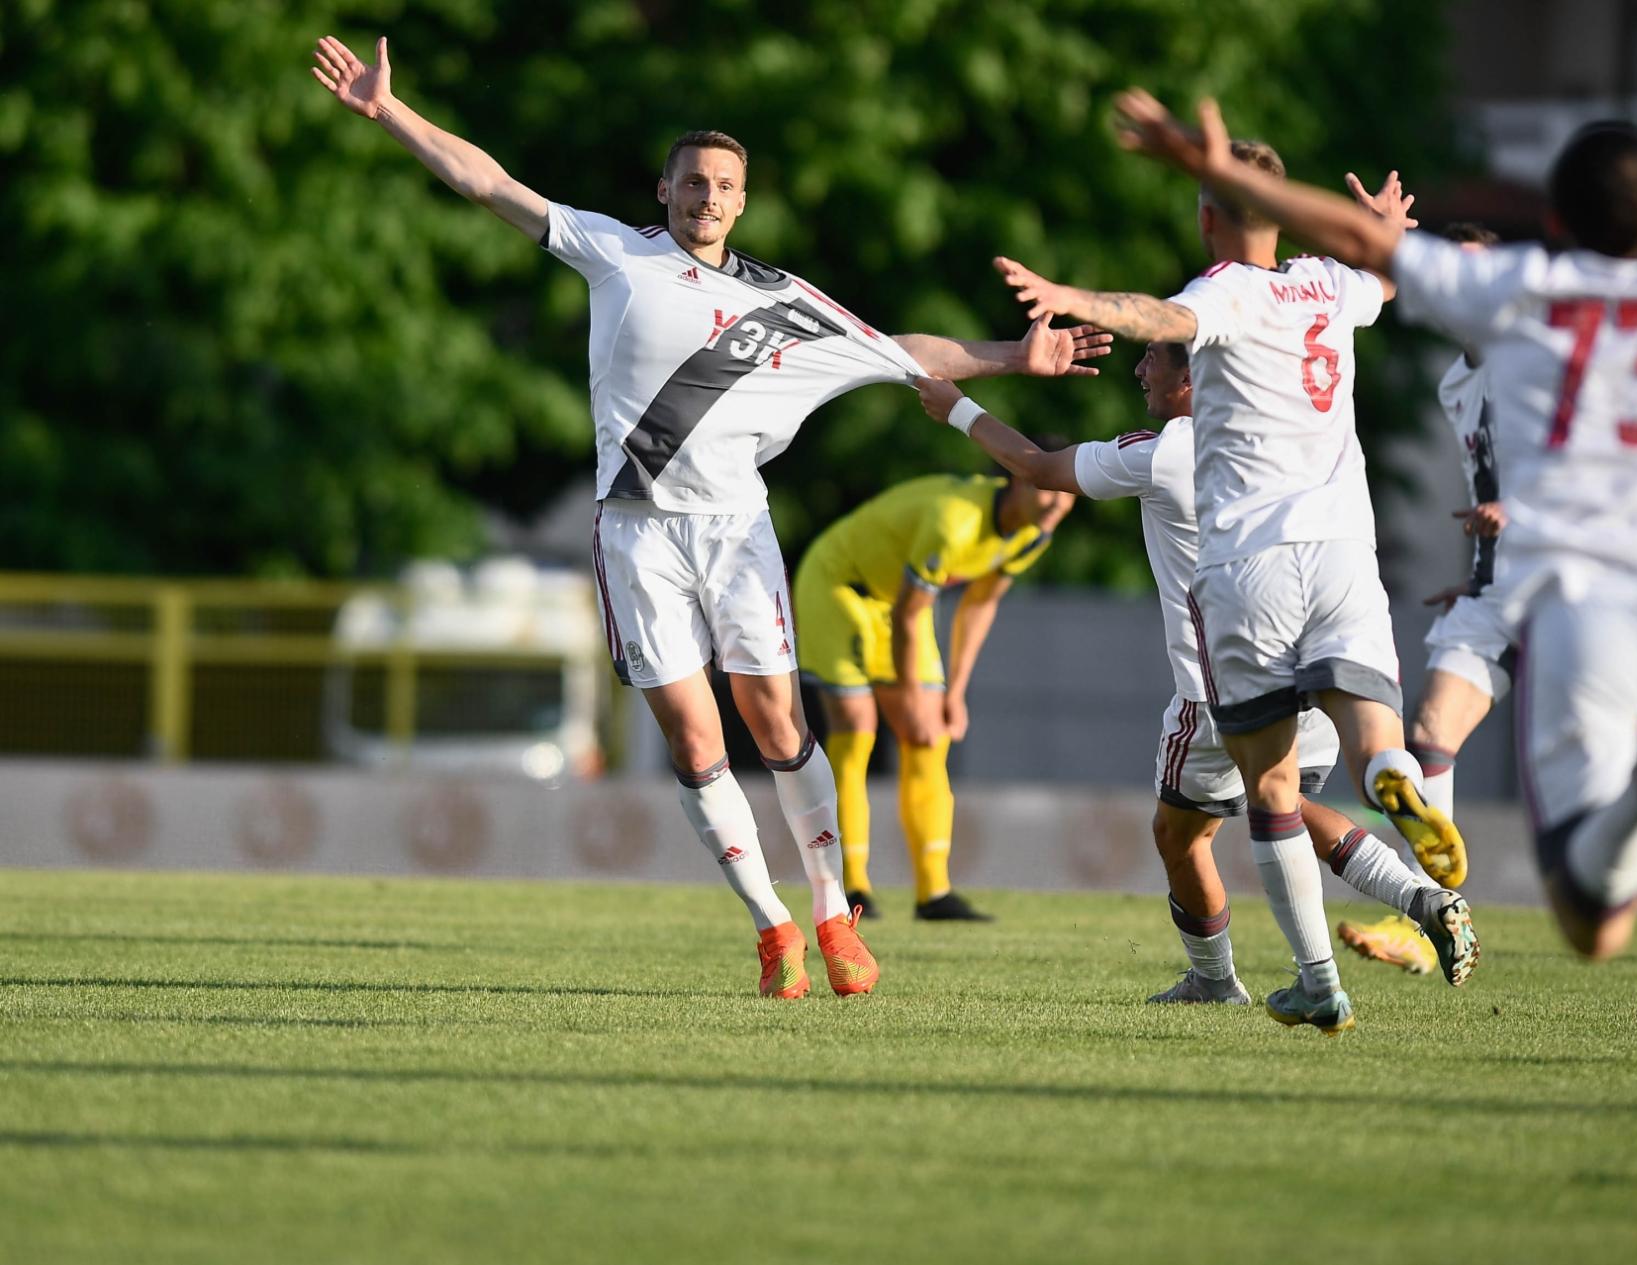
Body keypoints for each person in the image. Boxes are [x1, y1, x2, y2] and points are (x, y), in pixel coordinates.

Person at [1112, 90, 1637, 1188]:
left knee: (1591, 915)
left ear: (1560, 225)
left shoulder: (1523, 288)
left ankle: (1626, 803)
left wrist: (1236, 180)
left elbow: (1359, 246)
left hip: (1578, 609)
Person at [309, 35, 1109, 999]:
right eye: (691, 181)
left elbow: (899, 350)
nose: (706, 197)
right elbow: (490, 184)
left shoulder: (787, 302)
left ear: (742, 200)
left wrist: (1014, 359)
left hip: (737, 531)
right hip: (636, 532)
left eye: (723, 185)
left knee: (776, 721)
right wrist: (389, 113)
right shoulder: (616, 255)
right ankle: (774, 927)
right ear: (665, 191)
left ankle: (831, 912)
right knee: (695, 742)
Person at [990, 145, 1465, 1035]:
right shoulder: (1327, 281)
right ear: (1280, 207)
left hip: (1252, 568)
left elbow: (1148, 316)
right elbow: (1390, 281)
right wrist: (1388, 233)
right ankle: (1399, 782)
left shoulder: (1223, 295)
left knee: (1271, 790)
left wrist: (1071, 300)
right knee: (1368, 739)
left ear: (1209, 216)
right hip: (1346, 552)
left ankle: (1316, 980)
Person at [915, 344, 1480, 1001]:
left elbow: (1036, 466)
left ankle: (1237, 980)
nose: (1138, 371)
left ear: (1191, 378)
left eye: (1152, 359)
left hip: (1219, 680)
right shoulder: (1281, 435)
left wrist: (956, 407)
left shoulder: (1166, 451)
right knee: (1287, 805)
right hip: (1311, 656)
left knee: (1181, 832)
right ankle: (1420, 893)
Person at [1339, 223, 1637, 970]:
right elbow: (1491, 486)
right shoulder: (1455, 382)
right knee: (1431, 731)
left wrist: (1525, 515)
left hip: (1578, 582)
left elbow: (1596, 466)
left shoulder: (1540, 358)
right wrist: (1484, 554)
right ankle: (1437, 911)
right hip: (1497, 585)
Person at [795, 465, 1075, 921]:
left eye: (1067, 497)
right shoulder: (955, 521)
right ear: (1017, 481)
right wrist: (910, 697)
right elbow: (909, 616)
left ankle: (934, 893)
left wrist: (955, 693)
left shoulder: (1032, 534)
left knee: (929, 738)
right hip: (839, 585)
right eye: (1047, 492)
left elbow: (980, 603)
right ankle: (853, 885)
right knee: (858, 726)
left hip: (900, 601)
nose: (1056, 505)